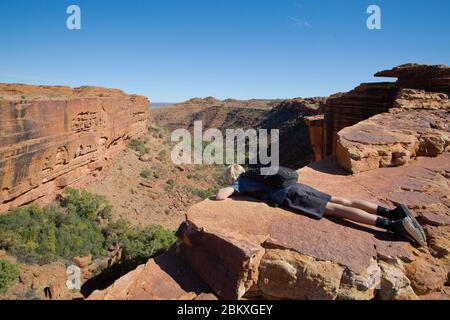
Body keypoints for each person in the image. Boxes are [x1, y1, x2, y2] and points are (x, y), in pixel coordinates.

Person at [215, 164, 427, 246]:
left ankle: (391, 224)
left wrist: (232, 186)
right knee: (342, 200)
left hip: (291, 196)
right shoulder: (256, 172)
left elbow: (220, 197)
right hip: (299, 186)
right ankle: (392, 212)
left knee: (335, 210)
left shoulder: (241, 182)